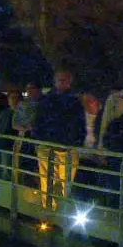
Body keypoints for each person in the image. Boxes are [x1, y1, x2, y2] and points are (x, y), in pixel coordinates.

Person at [33, 71, 86, 210]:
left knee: (66, 182)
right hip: (47, 145)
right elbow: (38, 120)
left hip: (66, 147)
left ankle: (62, 211)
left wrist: (76, 141)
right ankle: (48, 210)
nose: (62, 83)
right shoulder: (47, 100)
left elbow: (79, 124)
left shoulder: (74, 102)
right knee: (47, 181)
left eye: (65, 80)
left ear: (70, 82)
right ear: (55, 81)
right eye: (60, 80)